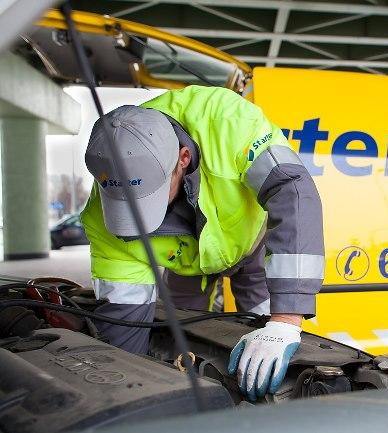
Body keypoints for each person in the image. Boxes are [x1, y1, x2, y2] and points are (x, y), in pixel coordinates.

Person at [80, 85, 324, 401]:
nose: (138, 215)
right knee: (183, 329)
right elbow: (124, 324)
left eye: (150, 196)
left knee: (270, 337)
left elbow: (293, 190)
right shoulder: (102, 222)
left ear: (182, 158)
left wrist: (285, 320)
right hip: (187, 266)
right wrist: (124, 391)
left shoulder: (227, 120)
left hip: (249, 246)